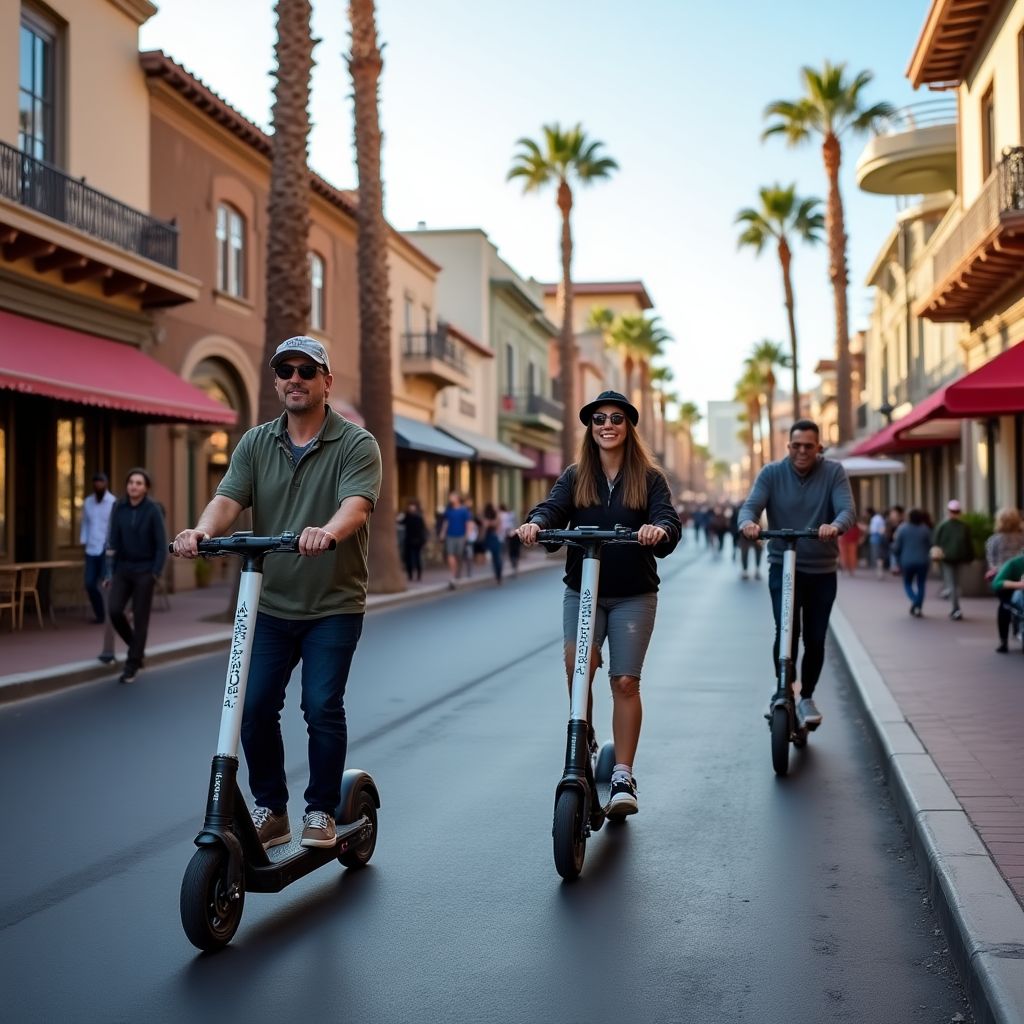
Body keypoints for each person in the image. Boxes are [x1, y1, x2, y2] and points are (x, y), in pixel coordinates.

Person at [171, 336, 382, 851]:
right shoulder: (255, 442)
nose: (295, 378)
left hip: (332, 603)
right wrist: (202, 531)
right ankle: (273, 809)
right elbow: (228, 499)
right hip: (269, 603)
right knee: (253, 706)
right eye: (285, 370)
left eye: (306, 370)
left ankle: (321, 809)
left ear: (326, 381)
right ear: (277, 381)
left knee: (320, 705)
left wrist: (326, 532)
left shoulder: (356, 443)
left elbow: (355, 506)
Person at [517, 390, 680, 816]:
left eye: (616, 418)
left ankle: (623, 775)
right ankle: (583, 737)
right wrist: (536, 524)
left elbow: (667, 518)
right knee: (579, 664)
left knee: (624, 682)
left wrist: (658, 530)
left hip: (633, 594)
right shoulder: (576, 476)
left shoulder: (649, 478)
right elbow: (552, 509)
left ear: (629, 427)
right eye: (599, 419)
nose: (607, 425)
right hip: (583, 590)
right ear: (591, 428)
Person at [737, 419, 856, 729]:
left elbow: (847, 510)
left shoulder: (833, 472)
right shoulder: (771, 473)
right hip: (783, 565)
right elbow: (750, 507)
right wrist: (748, 523)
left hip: (821, 570)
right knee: (787, 631)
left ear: (819, 448)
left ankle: (807, 697)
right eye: (796, 446)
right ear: (788, 446)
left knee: (815, 638)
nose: (802, 451)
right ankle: (783, 689)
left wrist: (835, 526)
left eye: (809, 446)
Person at [104, 468, 167, 684]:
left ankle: (131, 665)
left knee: (140, 619)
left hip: (145, 571)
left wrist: (155, 573)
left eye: (139, 483)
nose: (134, 486)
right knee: (114, 610)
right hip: (123, 568)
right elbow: (113, 541)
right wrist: (109, 572)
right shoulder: (118, 507)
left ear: (146, 488)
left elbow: (161, 545)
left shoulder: (153, 510)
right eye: (131, 482)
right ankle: (136, 650)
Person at [985, 508, 1024, 651]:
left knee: (1004, 606)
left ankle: (1003, 642)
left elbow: (991, 561)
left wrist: (996, 569)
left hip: (1003, 577)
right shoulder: (1022, 537)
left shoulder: (994, 540)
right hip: (1021, 576)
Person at [80, 471, 116, 624]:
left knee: (106, 583)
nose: (98, 486)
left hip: (106, 548)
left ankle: (112, 613)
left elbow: (115, 526)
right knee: (89, 583)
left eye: (101, 483)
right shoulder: (88, 502)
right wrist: (84, 541)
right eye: (96, 483)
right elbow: (85, 523)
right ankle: (100, 614)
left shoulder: (113, 502)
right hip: (91, 549)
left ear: (106, 484)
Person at [933, 499, 973, 621]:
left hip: (947, 558)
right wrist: (970, 557)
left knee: (952, 584)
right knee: (955, 583)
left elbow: (936, 542)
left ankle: (955, 609)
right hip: (959, 558)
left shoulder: (943, 525)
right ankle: (956, 608)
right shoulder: (964, 526)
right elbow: (969, 544)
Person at [891, 508, 932, 616]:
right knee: (921, 584)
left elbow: (897, 547)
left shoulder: (903, 529)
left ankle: (915, 601)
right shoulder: (925, 529)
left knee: (907, 583)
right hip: (923, 561)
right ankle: (918, 606)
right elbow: (930, 544)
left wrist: (896, 558)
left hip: (907, 561)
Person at [439, 490, 471, 590]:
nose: (450, 499)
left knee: (458, 556)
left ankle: (457, 573)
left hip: (460, 536)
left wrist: (467, 535)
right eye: (450, 497)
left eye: (452, 497)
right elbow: (446, 522)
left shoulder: (464, 510)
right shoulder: (448, 510)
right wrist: (443, 533)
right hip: (450, 535)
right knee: (450, 555)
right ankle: (452, 575)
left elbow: (468, 523)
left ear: (457, 499)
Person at [992, 551, 1024, 650]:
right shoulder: (1014, 564)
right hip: (1010, 591)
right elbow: (996, 583)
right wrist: (1019, 585)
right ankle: (1003, 641)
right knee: (1005, 607)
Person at [399, 499, 427, 582]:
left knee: (417, 558)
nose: (411, 508)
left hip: (418, 541)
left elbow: (423, 529)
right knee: (409, 559)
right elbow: (400, 522)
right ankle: (410, 575)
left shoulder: (419, 517)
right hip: (408, 540)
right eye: (410, 506)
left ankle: (419, 575)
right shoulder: (407, 516)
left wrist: (422, 540)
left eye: (413, 506)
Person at [481, 502, 504, 584]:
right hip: (490, 537)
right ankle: (497, 576)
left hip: (495, 536)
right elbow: (485, 526)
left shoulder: (496, 515)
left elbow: (497, 524)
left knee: (497, 558)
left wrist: (490, 523)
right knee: (495, 558)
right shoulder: (486, 516)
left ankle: (498, 576)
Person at [867, 507, 888, 579]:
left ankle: (879, 571)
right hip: (879, 538)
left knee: (877, 556)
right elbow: (882, 530)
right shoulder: (880, 519)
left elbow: (872, 530)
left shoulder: (875, 519)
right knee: (880, 556)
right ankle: (880, 571)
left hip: (875, 538)